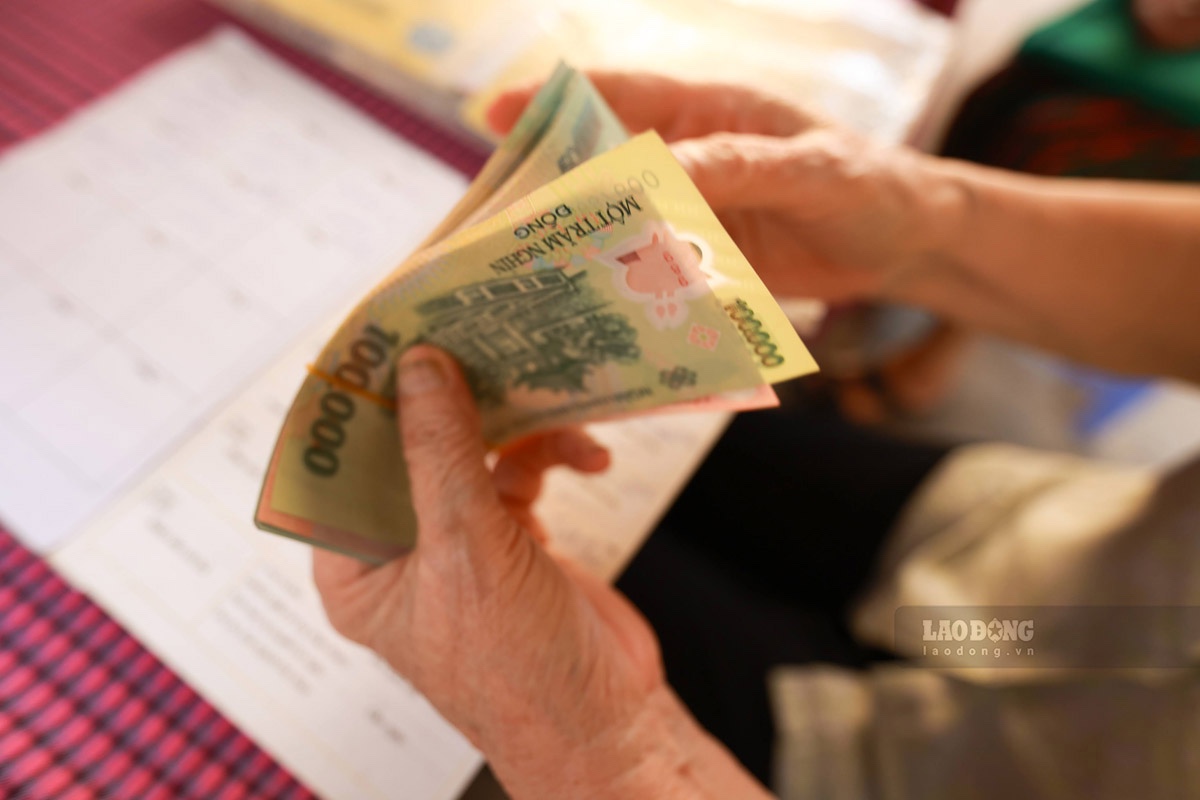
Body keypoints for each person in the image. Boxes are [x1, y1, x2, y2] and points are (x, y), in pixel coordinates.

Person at [312, 67, 1200, 798]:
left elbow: (586, 725)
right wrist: (927, 227)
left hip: (847, 776)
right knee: (597, 479)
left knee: (507, 585)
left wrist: (611, 758)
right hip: (1017, 544)